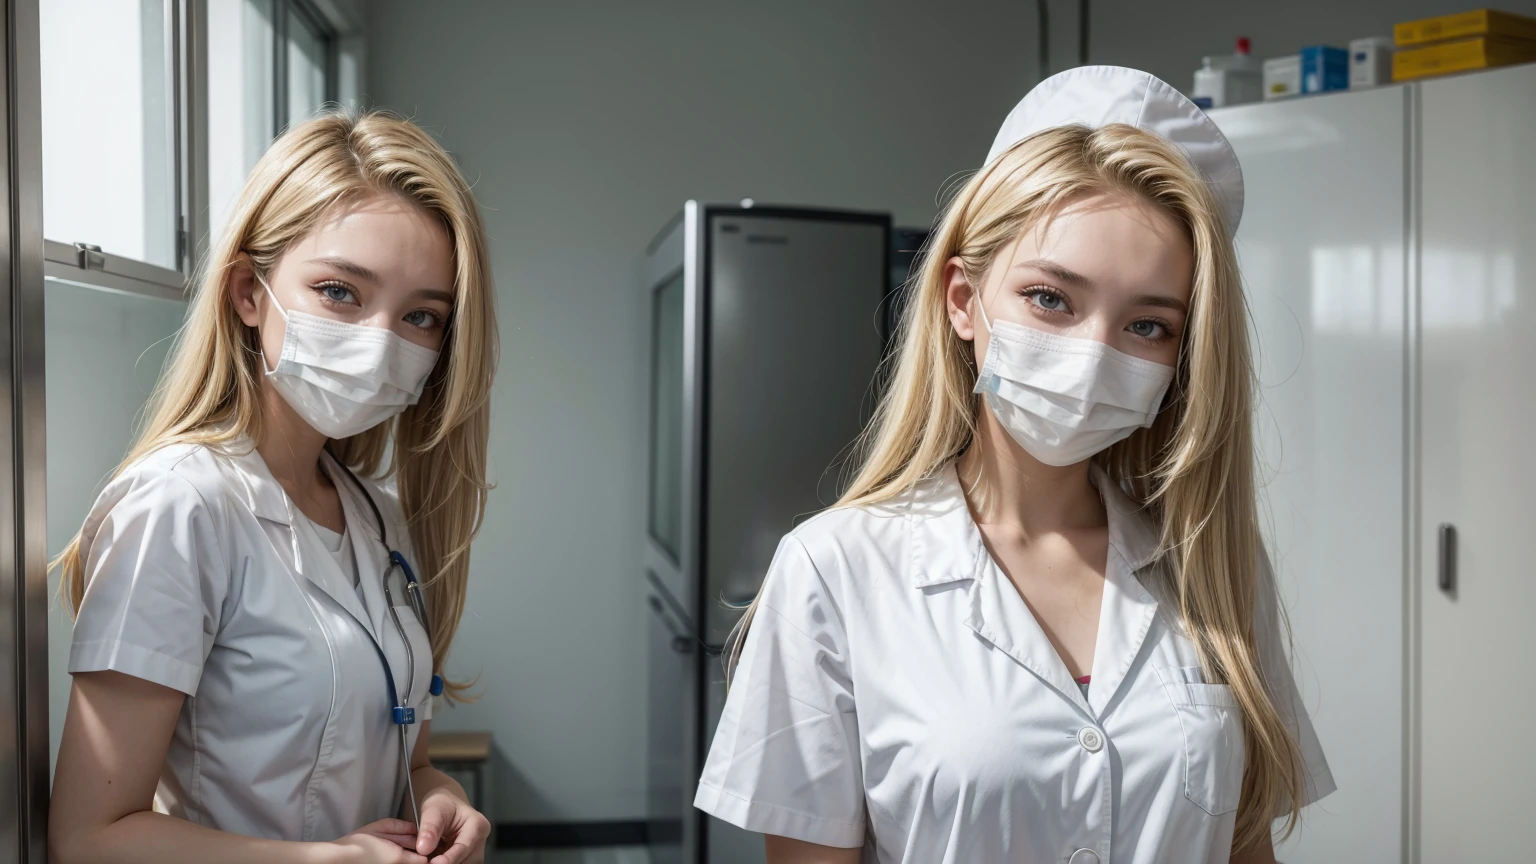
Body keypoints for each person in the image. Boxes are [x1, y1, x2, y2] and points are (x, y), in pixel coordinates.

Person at [694, 67, 1335, 864]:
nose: (1093, 356)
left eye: (1146, 325)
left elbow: (1247, 851)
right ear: (963, 300)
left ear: (1185, 357)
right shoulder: (833, 572)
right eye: (1051, 299)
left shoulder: (1211, 567)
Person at [49, 110, 498, 864]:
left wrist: (441, 797)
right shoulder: (180, 506)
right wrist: (325, 861)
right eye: (340, 292)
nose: (381, 340)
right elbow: (90, 838)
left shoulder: (377, 517)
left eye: (421, 315)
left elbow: (402, 754)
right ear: (248, 294)